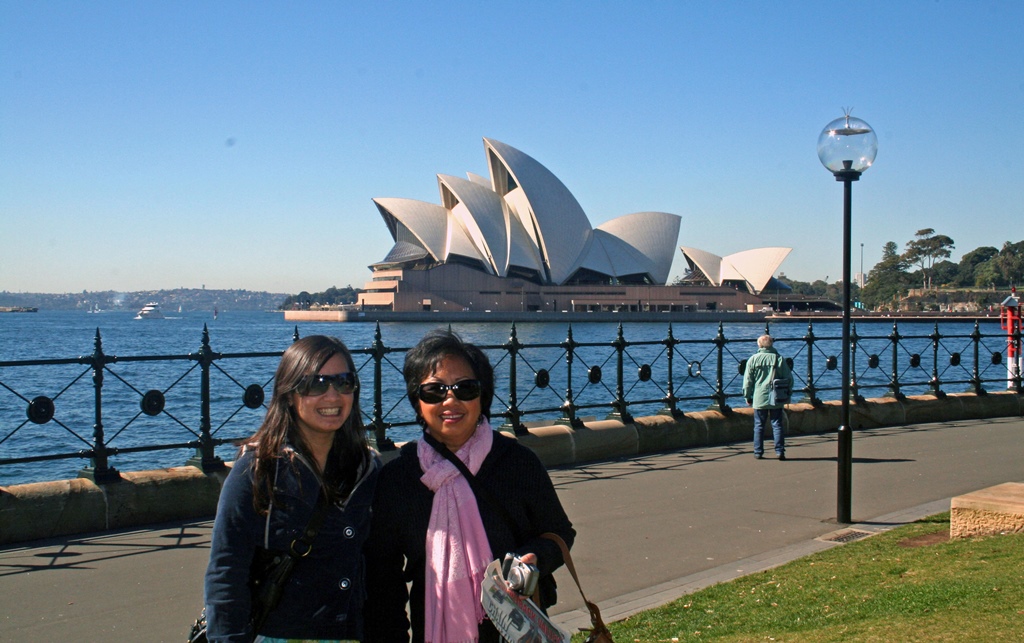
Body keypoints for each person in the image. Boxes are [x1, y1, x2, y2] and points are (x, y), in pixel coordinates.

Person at [364, 329, 575, 642]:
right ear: (417, 400)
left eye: (465, 388)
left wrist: (534, 558)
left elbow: (559, 533)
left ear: (483, 396)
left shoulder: (516, 463)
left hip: (516, 632)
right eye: (434, 391)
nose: (451, 400)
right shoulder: (399, 478)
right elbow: (383, 581)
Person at [204, 335, 380, 642]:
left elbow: (380, 569)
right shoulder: (257, 470)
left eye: (343, 382)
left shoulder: (366, 469)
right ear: (288, 393)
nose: (332, 395)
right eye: (316, 384)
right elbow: (226, 572)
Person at [742, 334, 794, 460]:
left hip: (759, 396)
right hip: (776, 396)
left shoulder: (753, 359)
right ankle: (779, 451)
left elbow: (747, 381)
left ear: (759, 345)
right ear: (771, 344)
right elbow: (789, 379)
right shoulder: (779, 359)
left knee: (759, 425)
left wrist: (747, 396)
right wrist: (788, 393)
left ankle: (758, 451)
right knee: (777, 424)